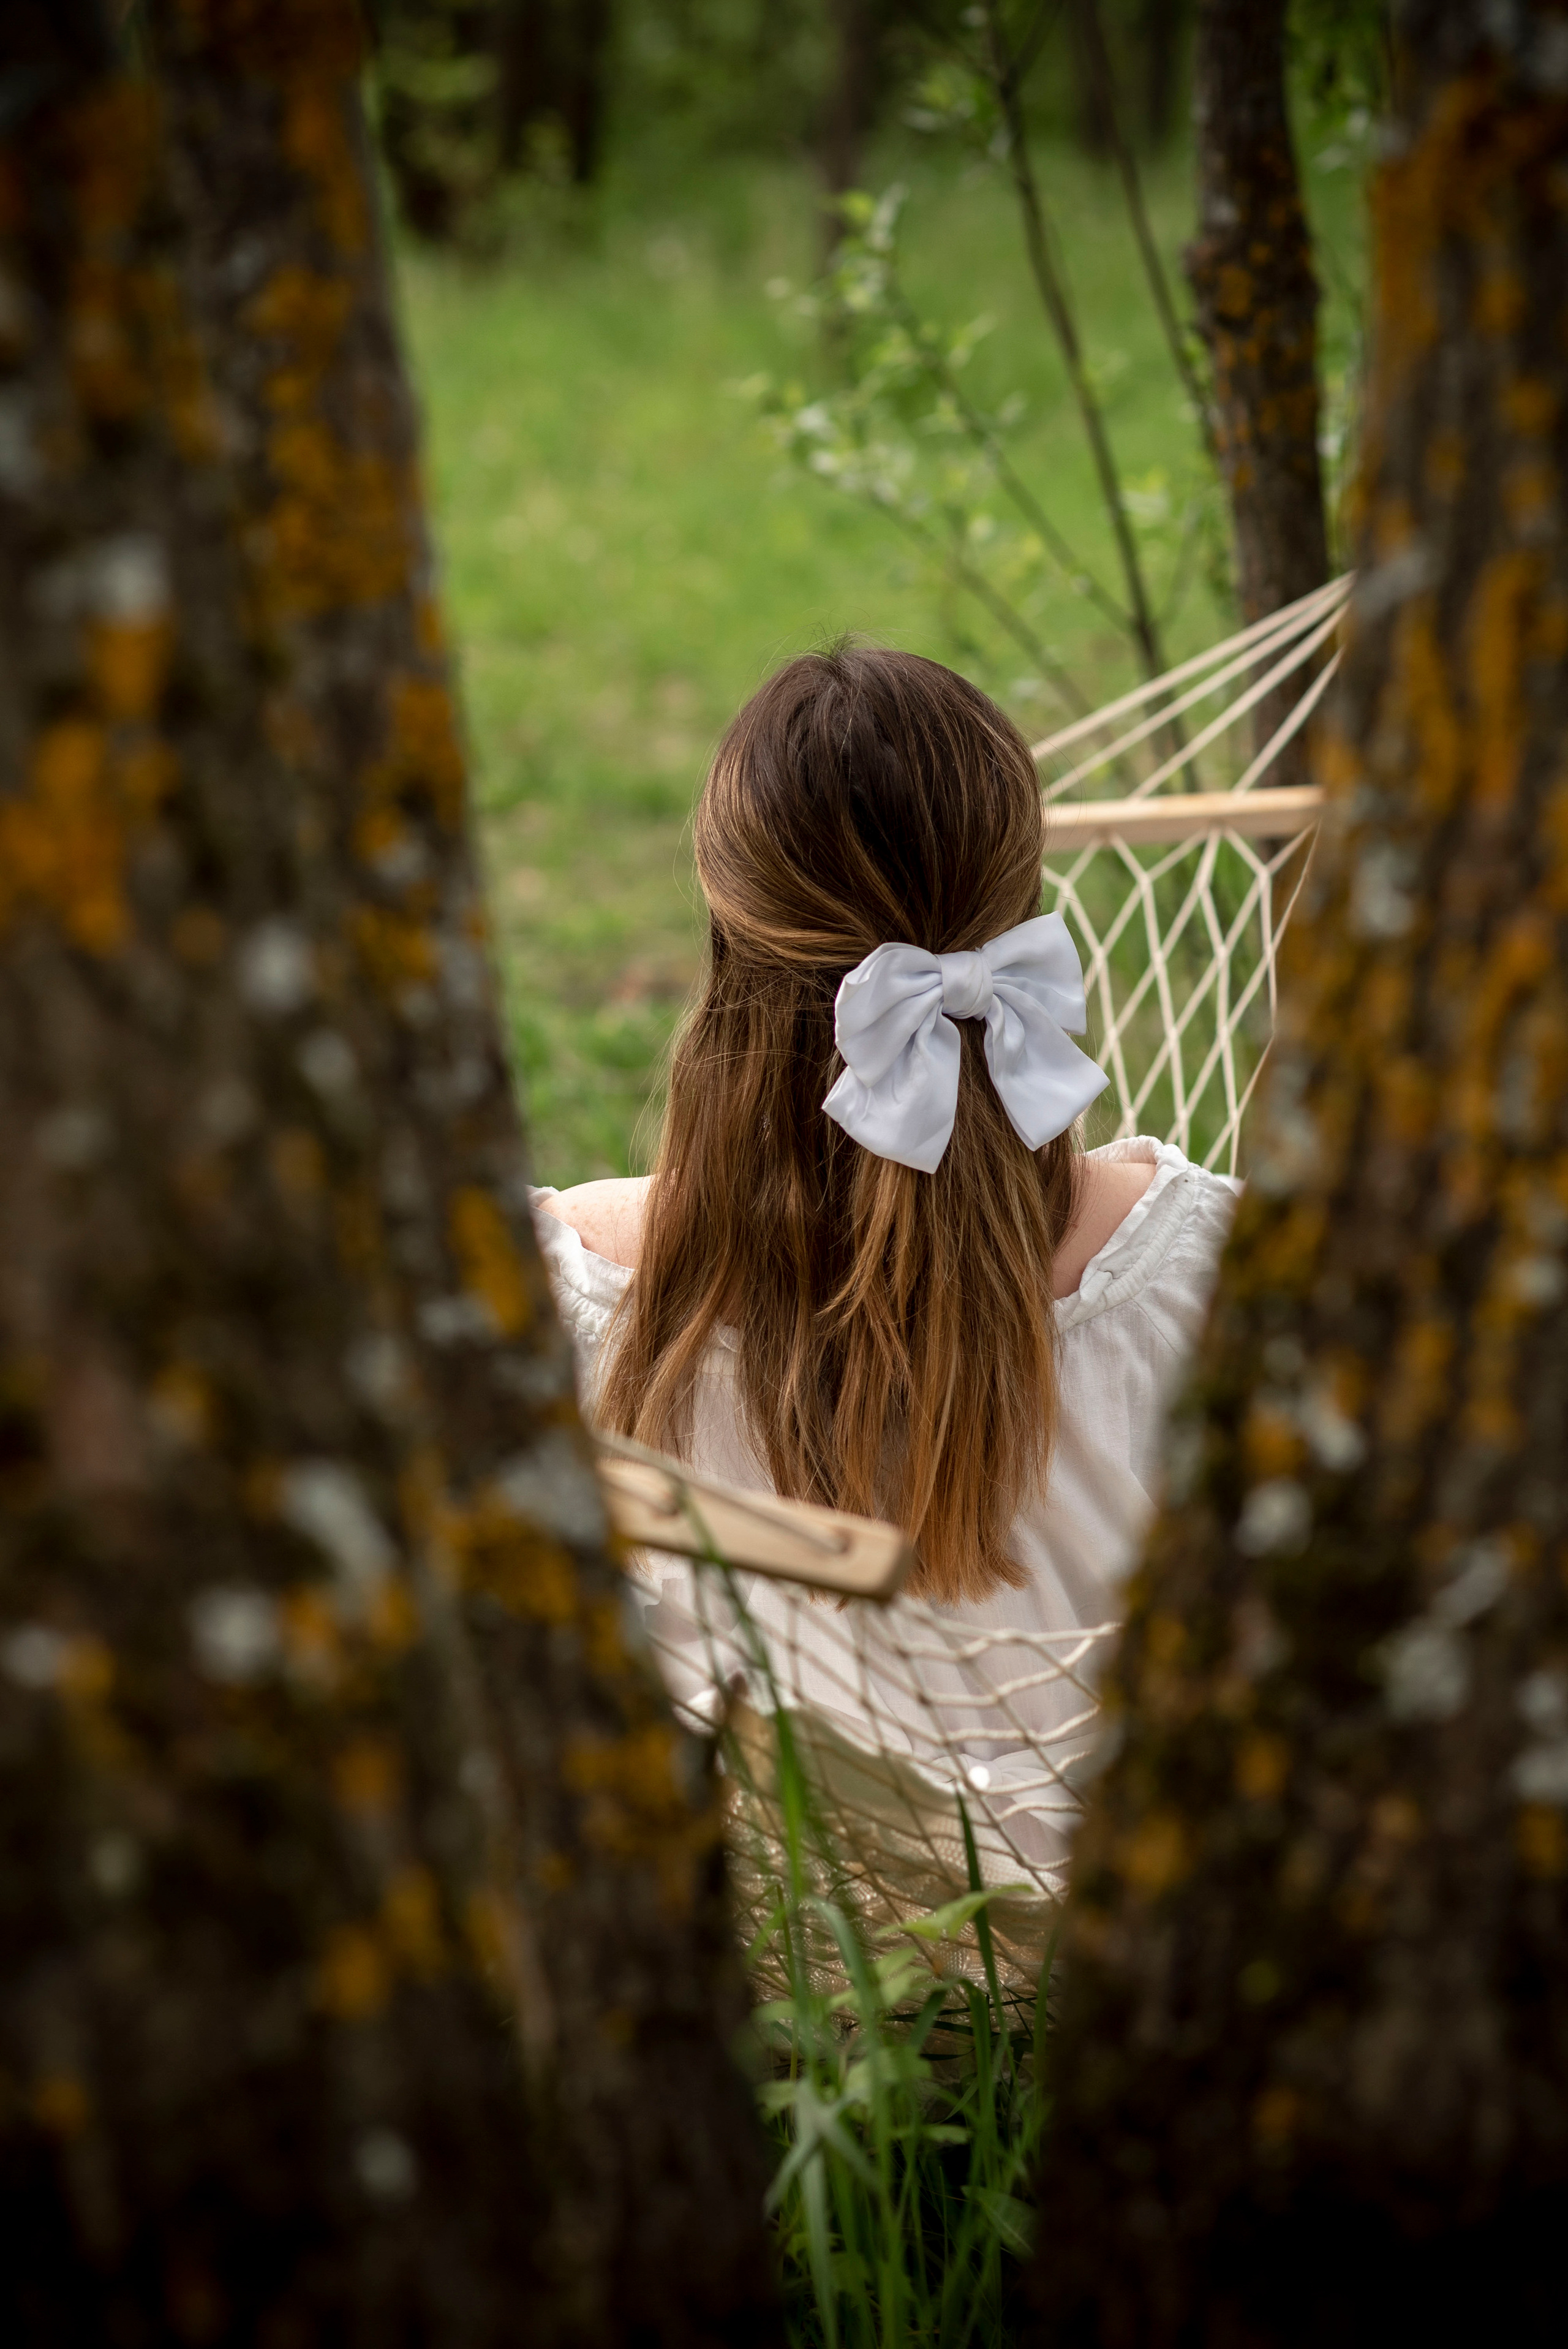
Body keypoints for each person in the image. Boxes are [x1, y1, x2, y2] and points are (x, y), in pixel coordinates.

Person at [532, 645, 1237, 1879]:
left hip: (783, 1964)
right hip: (1156, 1934)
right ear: (1019, 906)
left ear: (724, 927)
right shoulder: (1232, 1282)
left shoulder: (545, 1307)